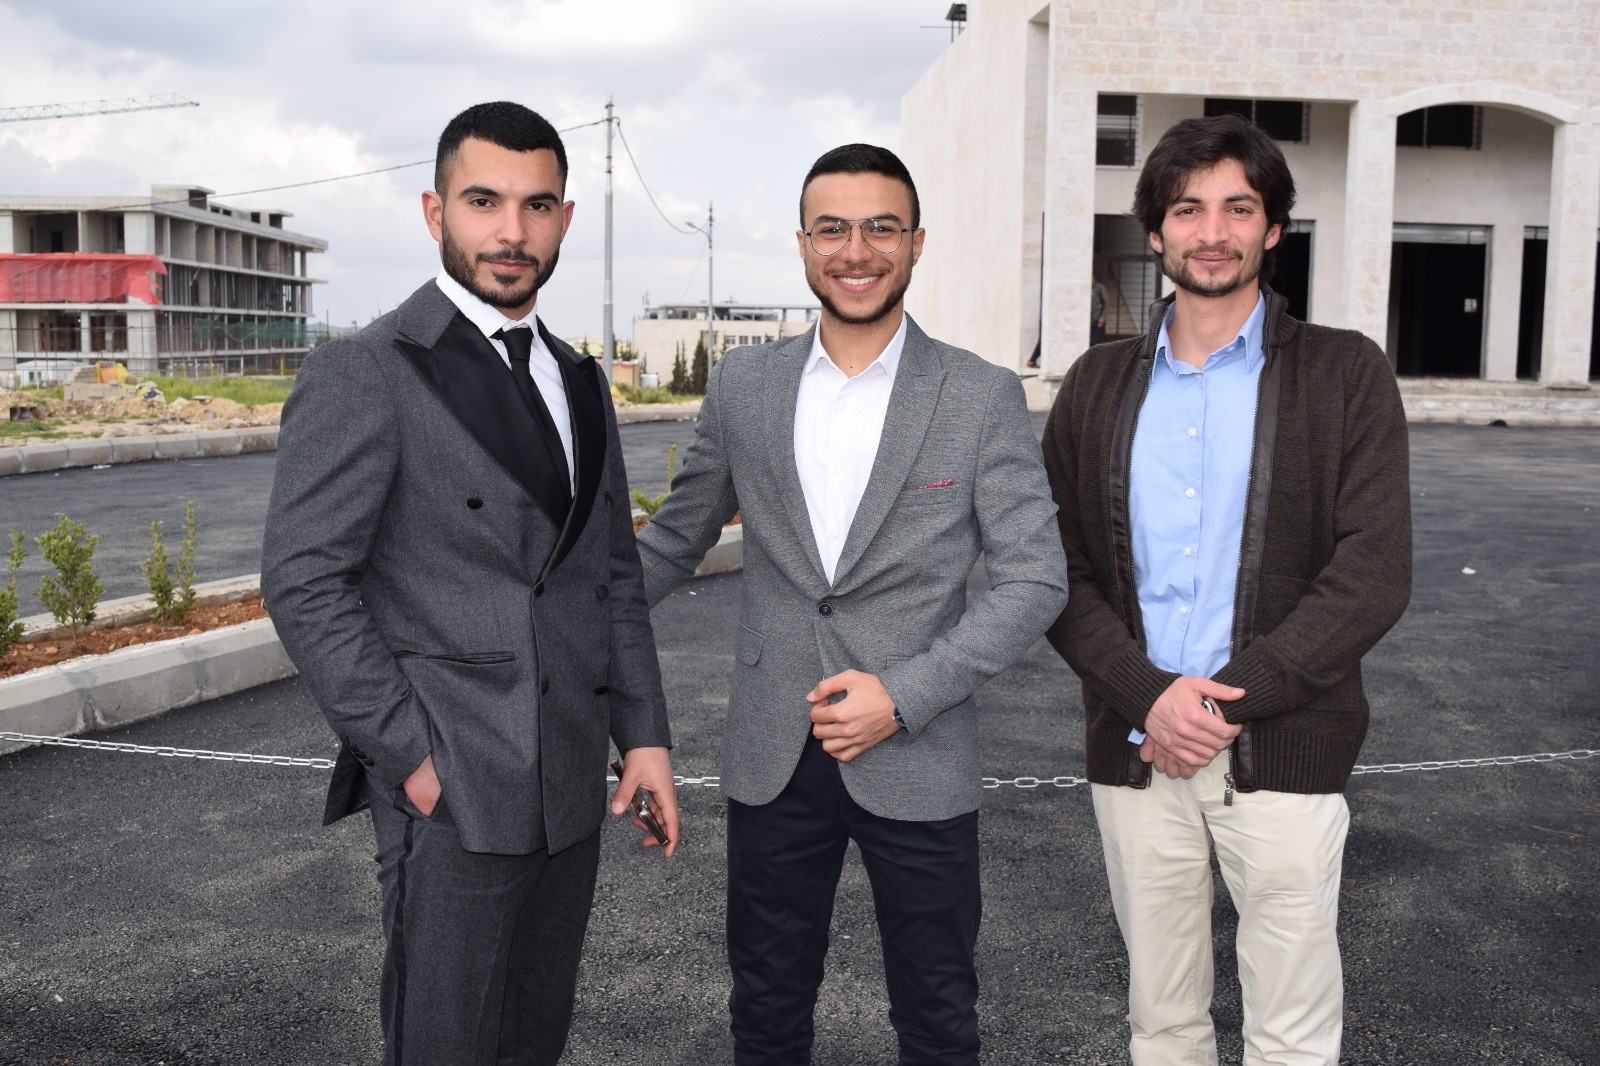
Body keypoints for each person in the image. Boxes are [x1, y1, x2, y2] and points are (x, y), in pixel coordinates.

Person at [261, 101, 678, 1066]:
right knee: (444, 1045)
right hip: (454, 788)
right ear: (434, 210)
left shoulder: (580, 381)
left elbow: (610, 574)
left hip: (568, 783)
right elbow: (304, 580)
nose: (511, 232)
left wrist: (645, 736)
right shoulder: (367, 371)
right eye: (483, 201)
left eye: (537, 206)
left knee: (535, 1037)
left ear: (565, 219)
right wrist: (413, 758)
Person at [635, 144, 1067, 1065]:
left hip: (919, 746)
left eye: (881, 227)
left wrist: (903, 696)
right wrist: (547, 618)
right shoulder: (745, 385)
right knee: (767, 1013)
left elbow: (1036, 580)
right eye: (832, 228)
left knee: (938, 1021)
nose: (856, 250)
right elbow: (674, 540)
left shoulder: (980, 395)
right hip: (773, 752)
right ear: (802, 244)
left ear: (917, 243)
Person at [1042, 114, 1411, 1066]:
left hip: (1282, 753)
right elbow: (1054, 569)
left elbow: (1373, 570)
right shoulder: (1093, 385)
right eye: (1188, 209)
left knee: (1291, 1034)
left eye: (1238, 209)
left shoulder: (1346, 373)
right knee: (1162, 1025)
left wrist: (1221, 703)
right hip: (1138, 750)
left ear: (1273, 228)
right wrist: (1150, 696)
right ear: (1155, 231)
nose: (1213, 232)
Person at [1090, 273, 1109, 346]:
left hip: (1095, 317)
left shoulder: (1100, 287)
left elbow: (1106, 303)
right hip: (1084, 318)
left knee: (1094, 341)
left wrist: (1102, 317)